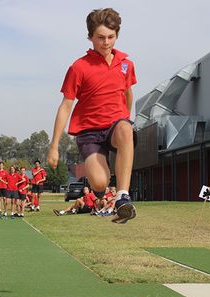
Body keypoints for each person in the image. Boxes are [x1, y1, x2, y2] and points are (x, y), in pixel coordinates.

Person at [47, 8, 137, 224]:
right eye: (100, 37)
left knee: (126, 129)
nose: (106, 42)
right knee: (99, 182)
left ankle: (122, 197)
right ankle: (102, 187)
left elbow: (128, 93)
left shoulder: (126, 64)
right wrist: (54, 145)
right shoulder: (79, 67)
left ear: (116, 35)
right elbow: (66, 106)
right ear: (90, 37)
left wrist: (124, 117)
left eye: (111, 37)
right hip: (89, 132)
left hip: (115, 126)